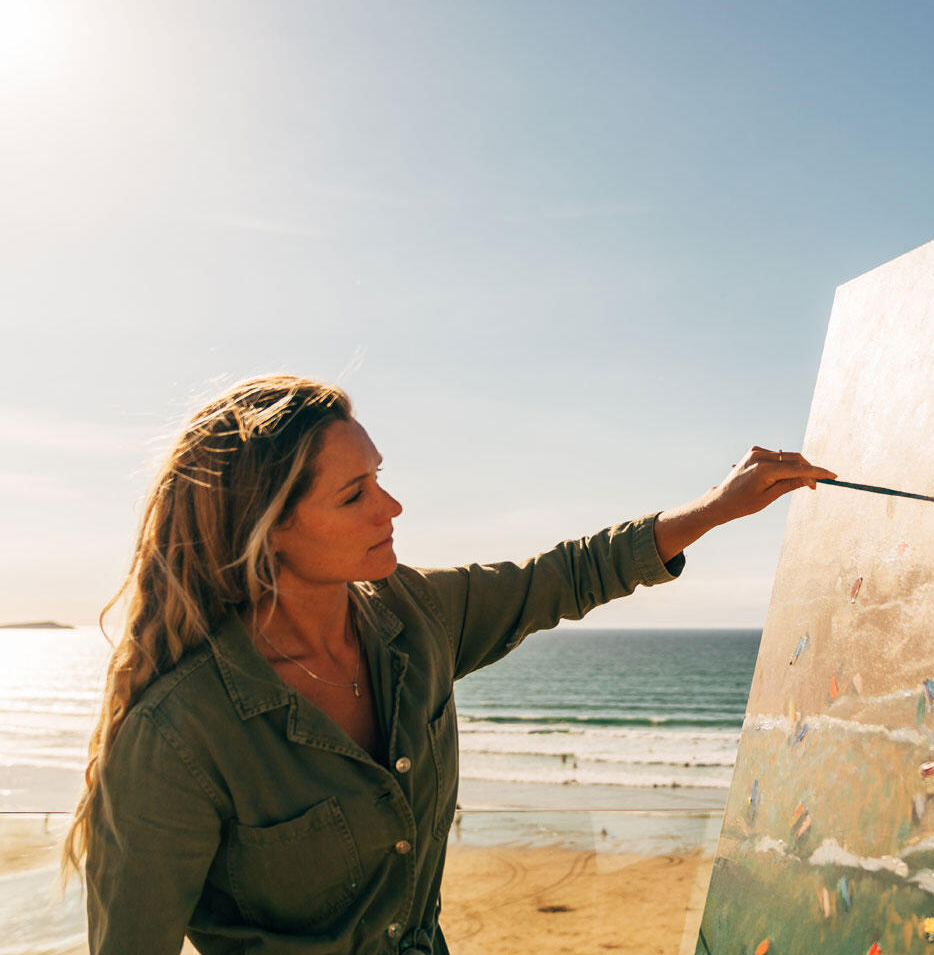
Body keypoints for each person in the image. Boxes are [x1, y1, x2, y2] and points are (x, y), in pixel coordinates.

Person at [63, 374, 834, 954]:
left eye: (381, 477)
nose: (390, 507)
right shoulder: (176, 737)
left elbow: (563, 576)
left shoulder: (415, 617)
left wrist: (718, 506)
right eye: (354, 493)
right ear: (266, 531)